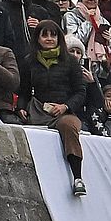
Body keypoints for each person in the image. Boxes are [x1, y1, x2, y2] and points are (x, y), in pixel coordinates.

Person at [20, 21, 89, 195]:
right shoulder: (29, 62)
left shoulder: (71, 61)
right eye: (45, 35)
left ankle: (78, 177)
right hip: (38, 110)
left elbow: (80, 92)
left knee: (69, 127)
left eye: (53, 35)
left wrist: (65, 106)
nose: (49, 39)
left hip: (65, 112)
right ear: (38, 38)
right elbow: (24, 91)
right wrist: (21, 107)